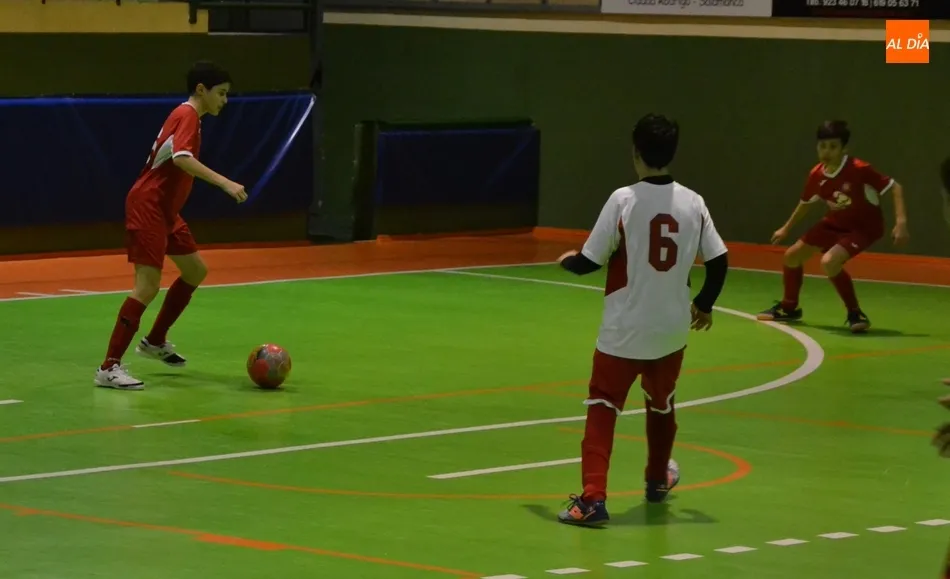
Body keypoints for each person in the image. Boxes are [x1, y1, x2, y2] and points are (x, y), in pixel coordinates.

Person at [554, 113, 729, 526]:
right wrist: (704, 304)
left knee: (603, 405)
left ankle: (593, 499)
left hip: (624, 329)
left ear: (635, 152)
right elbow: (719, 260)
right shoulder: (694, 202)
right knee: (662, 403)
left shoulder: (623, 199)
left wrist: (566, 261)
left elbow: (590, 260)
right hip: (671, 330)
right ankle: (656, 479)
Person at [94, 61, 247, 390]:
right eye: (221, 93)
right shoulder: (187, 114)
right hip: (148, 206)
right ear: (201, 90)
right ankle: (109, 367)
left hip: (166, 212)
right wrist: (225, 182)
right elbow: (182, 158)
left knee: (195, 270)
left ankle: (154, 340)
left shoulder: (189, 117)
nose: (225, 101)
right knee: (147, 286)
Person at [757, 120, 909, 333]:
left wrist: (901, 223)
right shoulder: (817, 174)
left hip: (863, 228)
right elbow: (806, 203)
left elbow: (895, 187)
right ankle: (789, 308)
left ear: (844, 148)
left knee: (829, 262)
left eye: (833, 147)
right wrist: (786, 228)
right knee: (792, 256)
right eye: (822, 146)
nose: (826, 152)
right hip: (834, 224)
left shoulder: (859, 169)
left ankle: (855, 313)